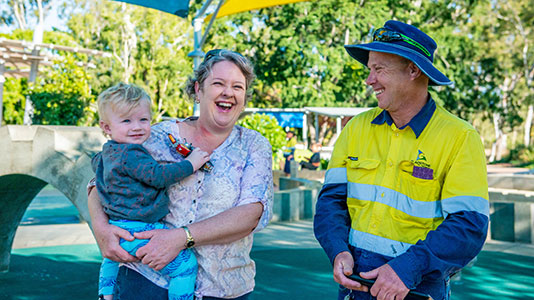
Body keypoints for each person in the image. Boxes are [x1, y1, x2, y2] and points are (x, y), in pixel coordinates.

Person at [313, 20, 489, 300]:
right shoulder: (355, 128)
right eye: (370, 69)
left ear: (413, 70)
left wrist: (406, 268)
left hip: (416, 287)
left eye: (379, 69)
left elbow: (469, 225)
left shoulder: (460, 137)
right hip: (355, 284)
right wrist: (338, 249)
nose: (369, 80)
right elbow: (331, 201)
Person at [88, 49, 273, 300]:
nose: (228, 92)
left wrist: (180, 238)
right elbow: (99, 182)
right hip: (146, 278)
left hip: (223, 288)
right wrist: (102, 230)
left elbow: (250, 214)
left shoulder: (254, 145)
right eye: (218, 83)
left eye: (237, 87)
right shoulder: (154, 135)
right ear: (198, 90)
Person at [92, 83, 210, 300]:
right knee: (185, 266)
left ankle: (105, 294)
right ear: (106, 127)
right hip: (139, 229)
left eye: (143, 120)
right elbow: (157, 176)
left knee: (111, 258)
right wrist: (191, 163)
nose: (136, 127)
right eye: (126, 121)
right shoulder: (132, 153)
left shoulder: (105, 154)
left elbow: (97, 178)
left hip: (118, 226)